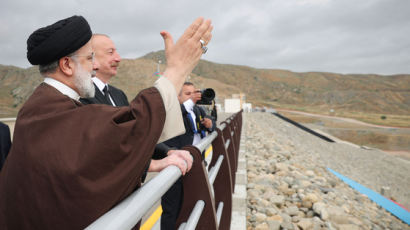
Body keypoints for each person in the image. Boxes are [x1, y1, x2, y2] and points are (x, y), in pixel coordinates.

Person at [0, 15, 212, 230]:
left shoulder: (44, 106)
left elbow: (99, 153)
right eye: (89, 58)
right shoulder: (49, 111)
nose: (94, 67)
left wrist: (156, 160)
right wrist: (177, 70)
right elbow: (129, 129)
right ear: (66, 65)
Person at [80, 34, 190, 177]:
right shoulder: (82, 98)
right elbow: (104, 149)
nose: (118, 58)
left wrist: (167, 151)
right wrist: (152, 165)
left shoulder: (118, 94)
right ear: (91, 58)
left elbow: (137, 134)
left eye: (117, 52)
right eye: (110, 52)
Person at [160, 82, 216, 230]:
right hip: (176, 164)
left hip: (195, 164)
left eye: (194, 93)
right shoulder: (173, 110)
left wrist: (210, 124)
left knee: (192, 203)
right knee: (171, 207)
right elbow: (180, 112)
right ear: (177, 97)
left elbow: (212, 122)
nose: (193, 97)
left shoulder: (198, 110)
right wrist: (192, 101)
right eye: (187, 94)